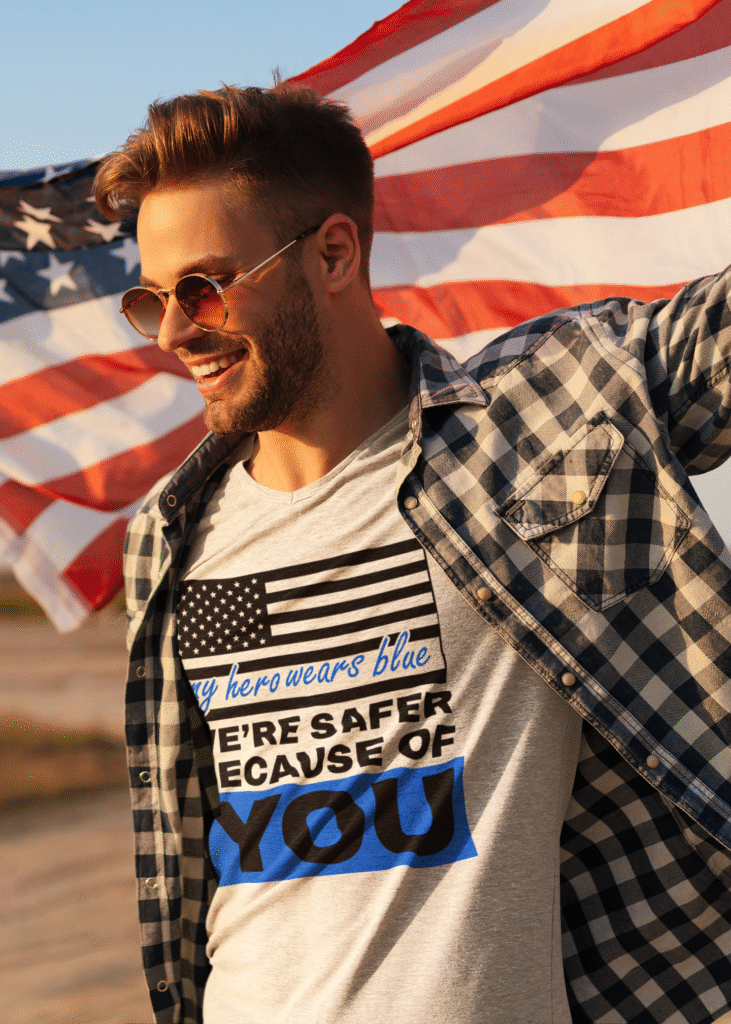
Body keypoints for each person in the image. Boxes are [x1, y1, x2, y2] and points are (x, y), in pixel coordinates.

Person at [93, 84, 731, 1024]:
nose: (179, 332)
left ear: (336, 252)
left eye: (205, 286)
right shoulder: (169, 535)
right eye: (152, 299)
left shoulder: (543, 416)